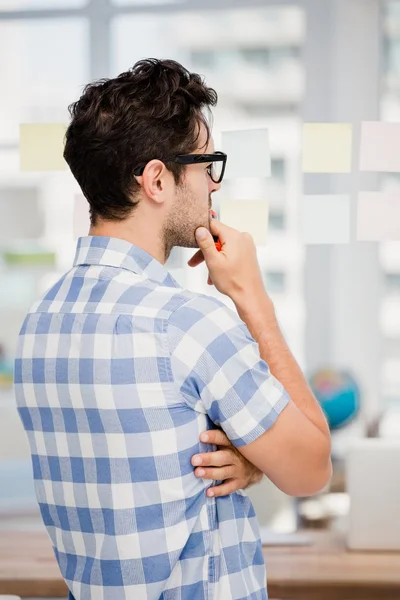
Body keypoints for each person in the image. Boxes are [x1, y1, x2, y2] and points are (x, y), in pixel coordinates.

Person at [14, 58, 332, 600]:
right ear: (158, 179)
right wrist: (252, 300)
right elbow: (310, 469)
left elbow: (155, 469)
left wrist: (251, 461)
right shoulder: (185, 323)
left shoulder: (38, 326)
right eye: (207, 163)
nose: (213, 184)